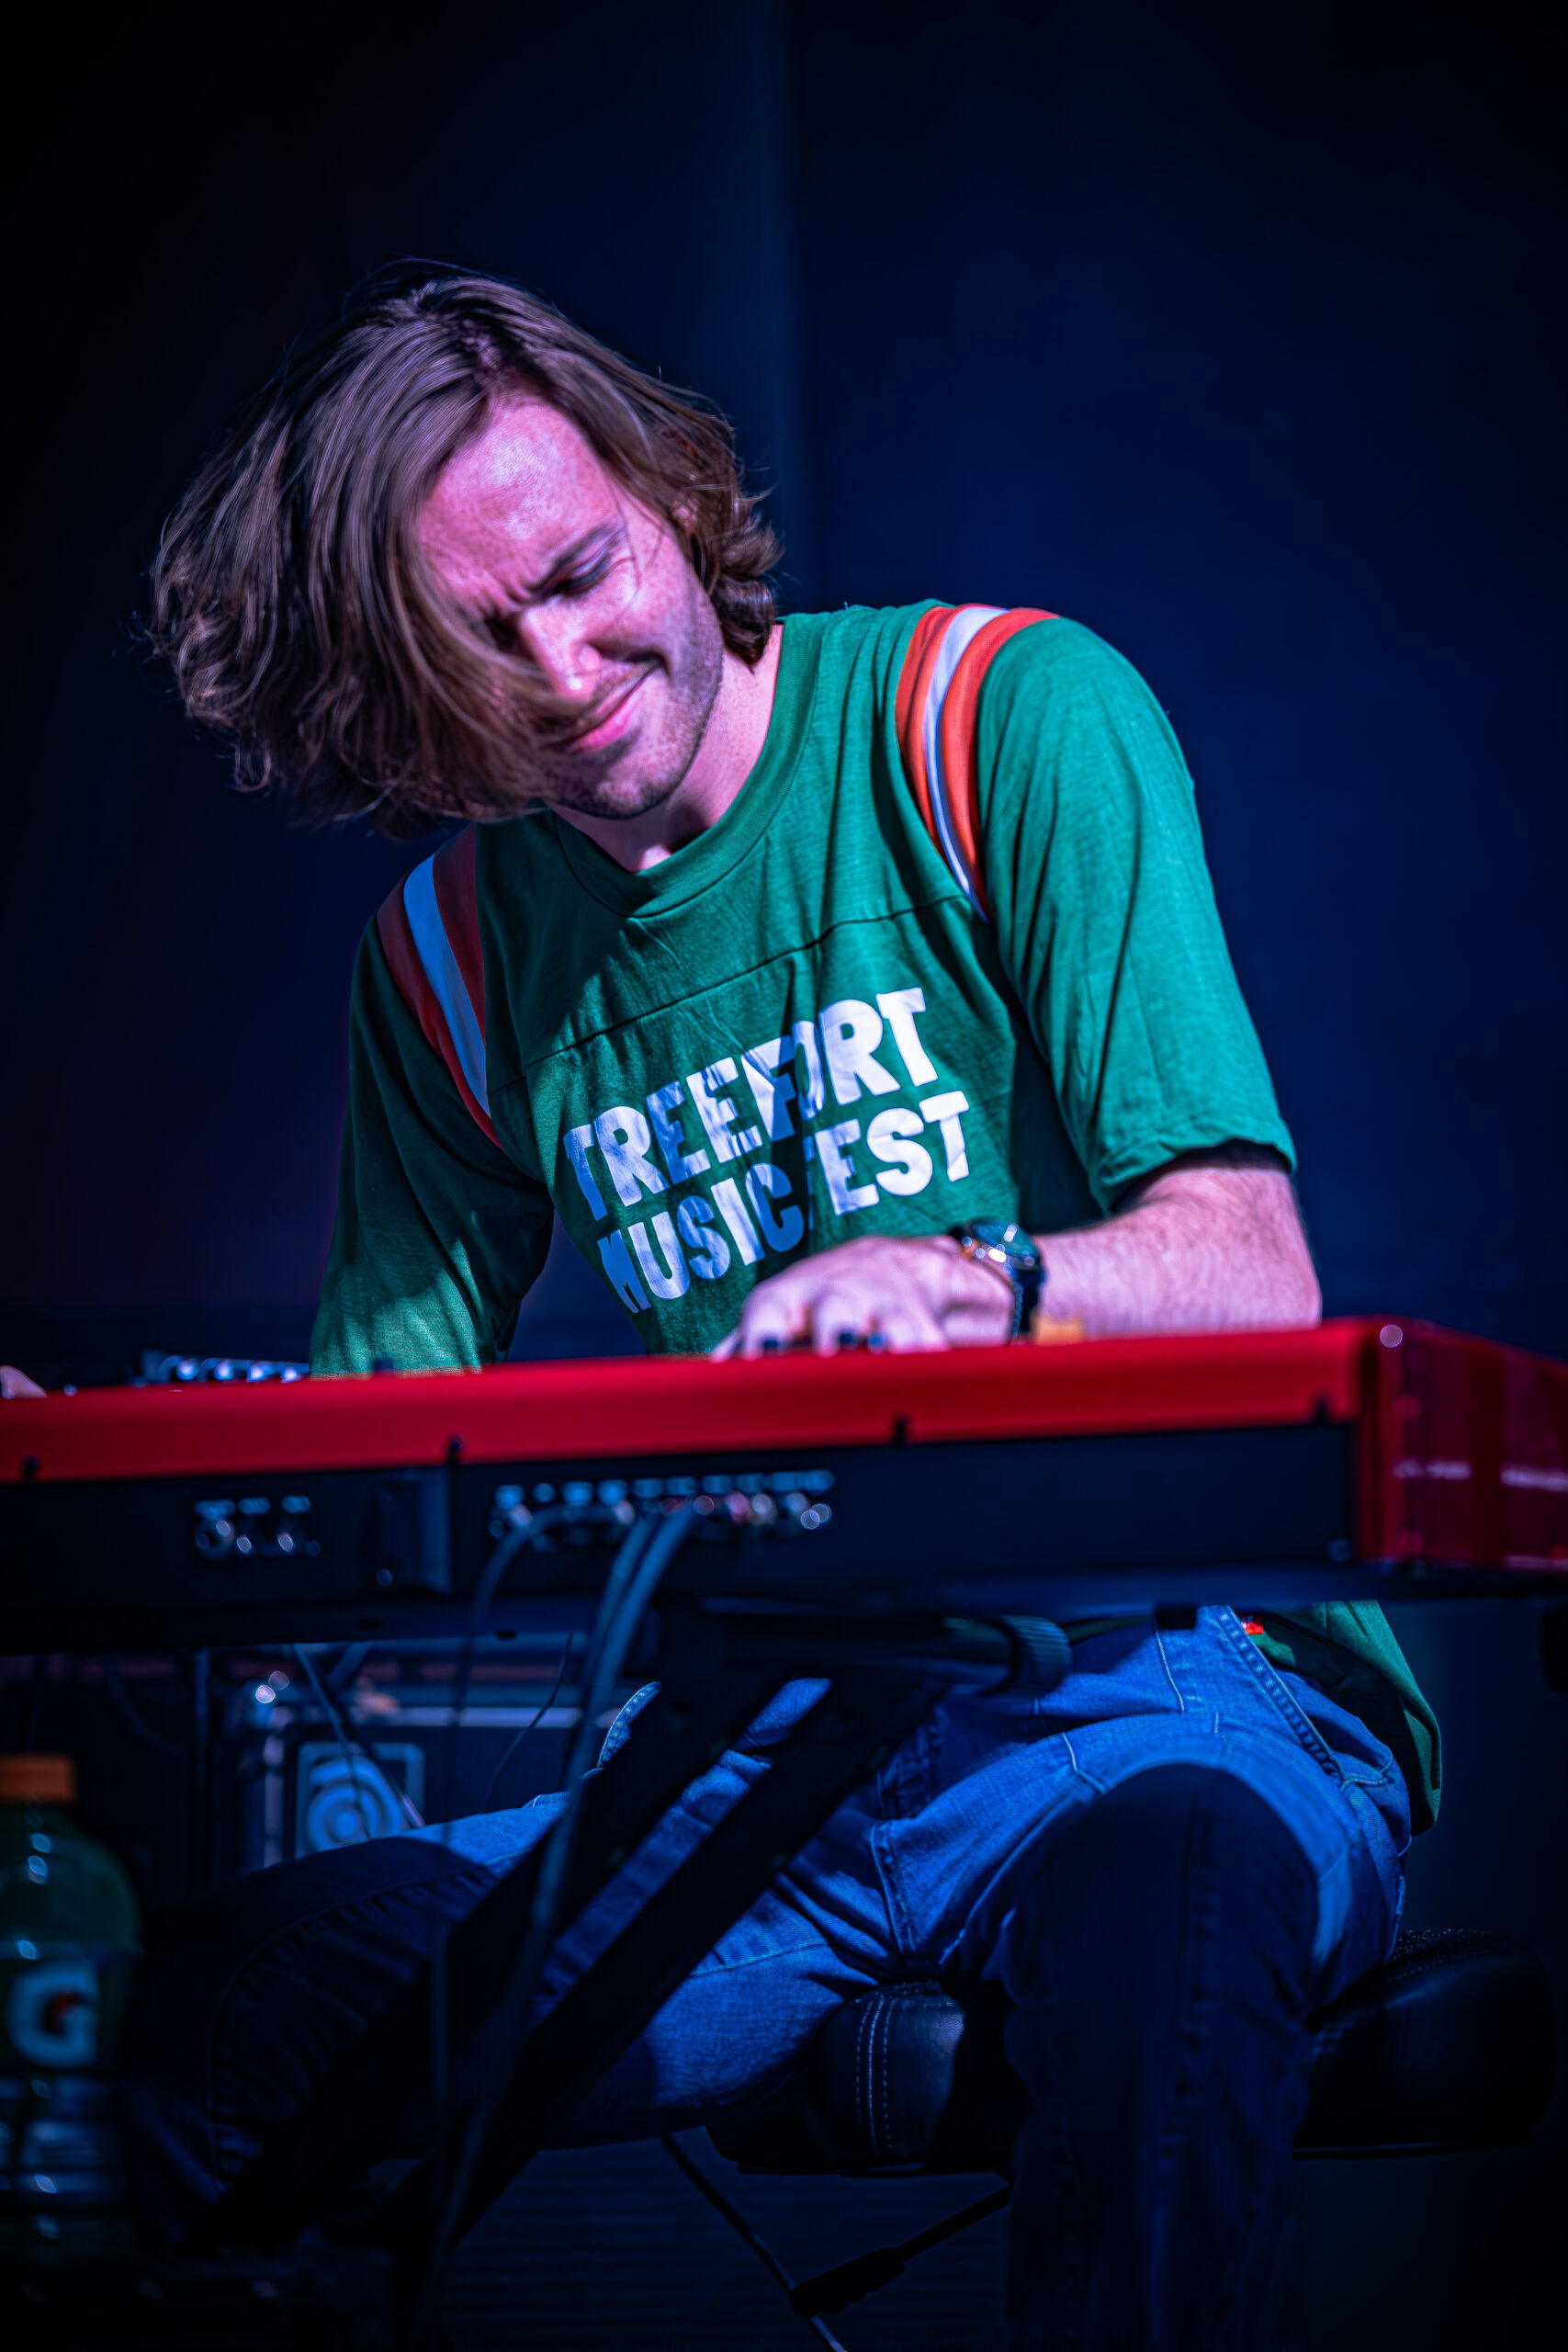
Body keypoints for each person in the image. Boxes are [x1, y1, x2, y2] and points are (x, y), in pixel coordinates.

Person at [113, 271, 1438, 2347]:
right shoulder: (451, 964)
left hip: (1162, 1697)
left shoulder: (991, 718)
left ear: (665, 487)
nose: (559, 671)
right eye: (476, 638)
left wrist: (968, 1280)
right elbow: (366, 1448)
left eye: (578, 571)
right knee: (195, 2020)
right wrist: (93, 1447)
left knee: (1164, 1905)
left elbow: (1243, 1263)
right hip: (774, 1773)